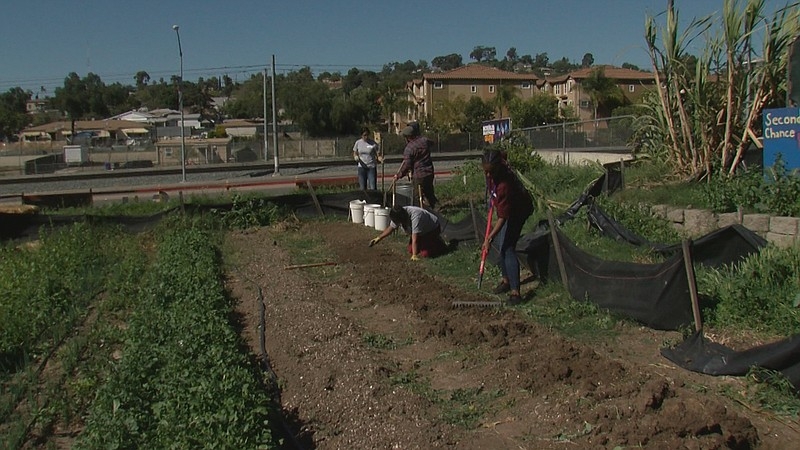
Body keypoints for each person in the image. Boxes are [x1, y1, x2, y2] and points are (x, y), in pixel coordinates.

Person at [481, 149, 534, 305]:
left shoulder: (504, 185)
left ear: (498, 167)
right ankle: (506, 281)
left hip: (519, 210)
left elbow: (503, 217)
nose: (488, 175)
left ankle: (516, 293)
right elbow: (502, 153)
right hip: (507, 209)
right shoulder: (494, 167)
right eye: (486, 172)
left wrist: (488, 238)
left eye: (491, 172)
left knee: (507, 247)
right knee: (501, 243)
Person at [368, 205, 448, 259]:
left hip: (431, 229)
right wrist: (378, 238)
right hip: (421, 232)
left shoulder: (416, 216)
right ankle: (426, 243)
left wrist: (414, 255)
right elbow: (391, 228)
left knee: (425, 254)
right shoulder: (398, 213)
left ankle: (440, 244)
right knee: (411, 249)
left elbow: (415, 238)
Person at [393, 122, 437, 209]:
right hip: (429, 172)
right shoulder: (424, 141)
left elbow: (407, 165)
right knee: (429, 193)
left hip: (418, 175)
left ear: (408, 137)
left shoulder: (409, 148)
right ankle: (437, 209)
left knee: (417, 197)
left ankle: (421, 212)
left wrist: (399, 175)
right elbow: (432, 143)